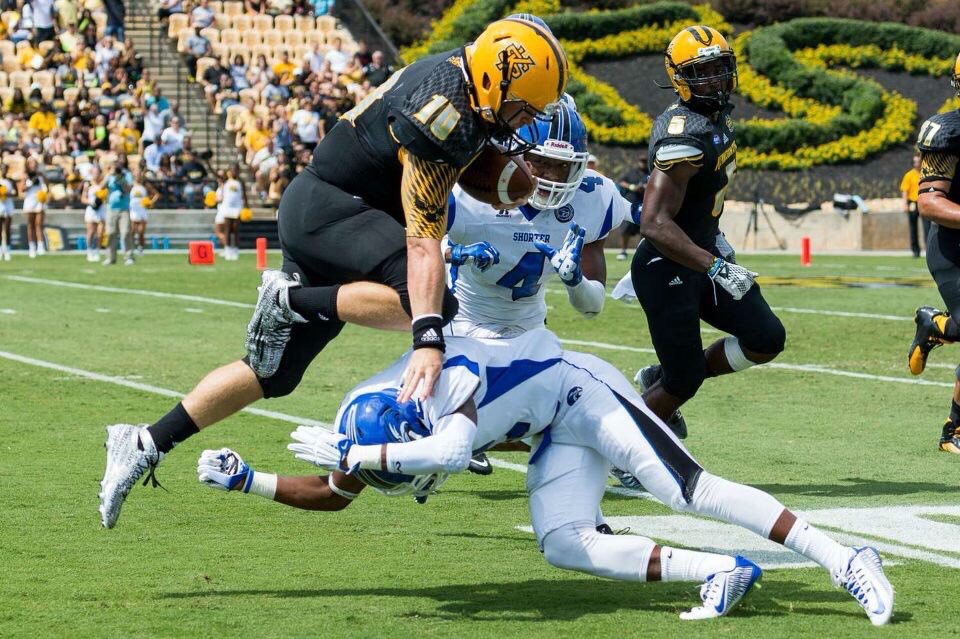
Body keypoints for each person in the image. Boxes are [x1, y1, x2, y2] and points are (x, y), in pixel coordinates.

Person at [98, 17, 569, 529]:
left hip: (328, 209)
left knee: (272, 376)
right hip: (333, 211)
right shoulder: (441, 115)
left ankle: (145, 439)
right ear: (494, 80)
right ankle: (291, 301)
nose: (523, 122)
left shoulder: (466, 78)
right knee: (431, 308)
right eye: (522, 108)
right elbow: (421, 242)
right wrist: (428, 341)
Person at [196, 330, 895, 625]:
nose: (390, 476)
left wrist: (370, 461)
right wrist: (248, 478)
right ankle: (721, 570)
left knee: (688, 488)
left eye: (387, 462)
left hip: (583, 393)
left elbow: (440, 454)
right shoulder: (364, 422)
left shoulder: (450, 378)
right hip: (547, 428)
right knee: (562, 540)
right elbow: (336, 489)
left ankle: (844, 557)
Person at [613, 26, 785, 440]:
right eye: (701, 71)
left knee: (765, 338)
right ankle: (625, 448)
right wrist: (716, 267)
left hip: (703, 254)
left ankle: (659, 378)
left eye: (719, 68)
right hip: (667, 265)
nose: (714, 80)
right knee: (684, 379)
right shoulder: (683, 134)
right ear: (679, 78)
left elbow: (698, 198)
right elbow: (653, 222)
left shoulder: (715, 117)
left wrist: (713, 238)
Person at [907, 51, 960, 454]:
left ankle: (936, 325)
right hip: (953, 247)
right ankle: (954, 431)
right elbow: (930, 203)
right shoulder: (948, 131)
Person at [616, 150, 648, 260]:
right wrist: (632, 187)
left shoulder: (650, 173)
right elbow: (621, 181)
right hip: (631, 204)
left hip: (645, 205)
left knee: (644, 231)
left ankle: (640, 252)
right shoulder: (631, 173)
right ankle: (623, 251)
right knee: (625, 229)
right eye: (641, 161)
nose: (643, 163)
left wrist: (645, 188)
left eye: (645, 161)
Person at [103, 156, 134, 266]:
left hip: (124, 208)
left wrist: (121, 179)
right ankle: (110, 257)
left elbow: (129, 189)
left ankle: (128, 257)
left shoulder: (126, 175)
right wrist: (109, 175)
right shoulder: (110, 176)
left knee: (125, 232)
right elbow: (101, 187)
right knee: (111, 233)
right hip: (111, 208)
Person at [215, 164, 246, 260]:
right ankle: (228, 250)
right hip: (227, 208)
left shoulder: (241, 182)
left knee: (236, 230)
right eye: (232, 170)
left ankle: (235, 250)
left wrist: (247, 207)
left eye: (236, 170)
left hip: (237, 208)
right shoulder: (226, 181)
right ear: (229, 171)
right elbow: (215, 175)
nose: (234, 172)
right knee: (227, 230)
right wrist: (207, 163)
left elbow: (244, 195)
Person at [901, 154, 926, 258]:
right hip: (913, 203)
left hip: (924, 202)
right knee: (913, 228)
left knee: (928, 227)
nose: (917, 164)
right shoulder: (909, 175)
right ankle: (915, 250)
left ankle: (929, 249)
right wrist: (904, 204)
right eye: (915, 162)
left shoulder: (925, 174)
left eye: (919, 162)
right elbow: (904, 191)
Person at [21, 158, 47, 258]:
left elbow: (46, 186)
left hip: (39, 201)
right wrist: (30, 183)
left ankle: (41, 246)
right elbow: (22, 189)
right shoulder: (25, 175)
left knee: (39, 224)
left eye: (35, 163)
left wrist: (44, 193)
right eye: (31, 163)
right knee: (30, 225)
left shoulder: (40, 175)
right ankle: (32, 247)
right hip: (29, 201)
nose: (33, 165)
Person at [82, 165, 107, 262]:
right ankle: (89, 251)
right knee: (91, 233)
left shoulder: (103, 184)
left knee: (100, 233)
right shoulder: (88, 184)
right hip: (91, 210)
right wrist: (90, 202)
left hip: (101, 209)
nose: (95, 175)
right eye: (94, 173)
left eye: (97, 173)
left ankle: (97, 251)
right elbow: (83, 199)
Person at [129, 167, 156, 255]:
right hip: (133, 210)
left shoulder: (145, 185)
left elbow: (156, 194)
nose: (137, 176)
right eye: (136, 174)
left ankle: (141, 248)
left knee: (141, 232)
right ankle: (131, 248)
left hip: (142, 210)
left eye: (139, 174)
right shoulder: (130, 185)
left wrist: (150, 202)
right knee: (132, 231)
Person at [0, 166, 13, 261]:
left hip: (8, 205)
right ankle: (1, 250)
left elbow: (15, 193)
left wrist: (7, 194)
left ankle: (7, 250)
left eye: (5, 169)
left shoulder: (10, 181)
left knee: (7, 229)